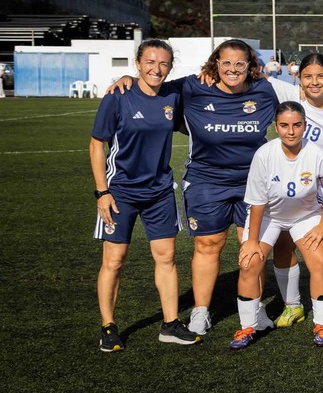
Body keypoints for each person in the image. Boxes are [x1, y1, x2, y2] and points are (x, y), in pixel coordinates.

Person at [106, 39, 282, 336]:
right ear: (216, 64)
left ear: (250, 66)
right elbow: (154, 84)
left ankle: (254, 308)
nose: (232, 69)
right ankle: (201, 311)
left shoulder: (265, 89)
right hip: (205, 181)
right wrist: (127, 79)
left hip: (253, 183)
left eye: (240, 63)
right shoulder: (192, 87)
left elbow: (301, 103)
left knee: (252, 247)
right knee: (207, 245)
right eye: (226, 63)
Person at [90, 39, 200, 351]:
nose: (157, 69)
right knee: (114, 260)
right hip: (119, 192)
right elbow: (97, 144)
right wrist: (102, 192)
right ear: (137, 63)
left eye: (164, 63)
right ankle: (108, 327)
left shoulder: (173, 95)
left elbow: (201, 81)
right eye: (150, 62)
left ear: (171, 67)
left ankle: (170, 324)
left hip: (160, 191)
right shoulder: (118, 95)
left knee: (166, 257)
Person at [230, 102, 323, 350]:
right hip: (268, 216)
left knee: (320, 261)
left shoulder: (318, 154)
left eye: (297, 125)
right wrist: (251, 241)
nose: (291, 131)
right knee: (249, 263)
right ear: (276, 127)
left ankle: (322, 325)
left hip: (305, 216)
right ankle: (248, 327)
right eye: (284, 125)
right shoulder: (264, 155)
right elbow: (257, 202)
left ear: (305, 126)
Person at [264, 54, 323, 328]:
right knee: (283, 244)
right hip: (293, 188)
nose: (314, 82)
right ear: (298, 78)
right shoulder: (290, 96)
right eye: (308, 76)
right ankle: (292, 305)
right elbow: (251, 74)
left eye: (321, 76)